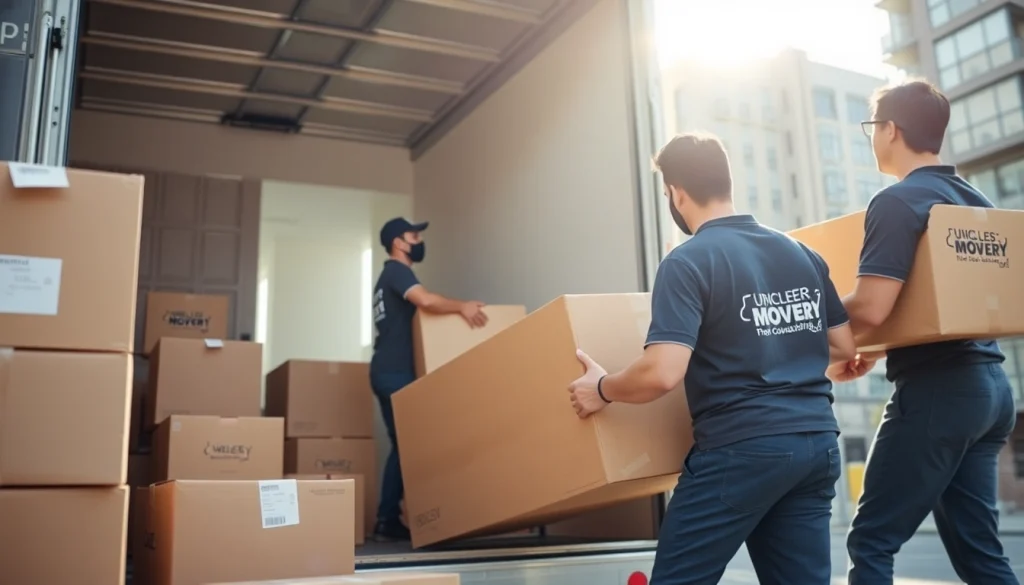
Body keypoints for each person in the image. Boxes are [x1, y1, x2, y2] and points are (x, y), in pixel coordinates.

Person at [569, 132, 861, 584]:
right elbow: (843, 346)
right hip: (816, 444)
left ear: (676, 192)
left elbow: (663, 373)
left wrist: (602, 389)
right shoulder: (802, 253)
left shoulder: (688, 262)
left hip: (743, 448)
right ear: (727, 183)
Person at [843, 80, 1019, 584]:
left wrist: (808, 314)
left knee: (871, 540)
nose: (871, 137)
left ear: (890, 130)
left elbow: (872, 307)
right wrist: (875, 348)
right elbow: (937, 304)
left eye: (871, 126)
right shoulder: (971, 198)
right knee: (980, 555)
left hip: (939, 390)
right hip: (990, 390)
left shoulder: (897, 201)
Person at [369, 217, 489, 541]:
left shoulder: (385, 277)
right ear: (398, 242)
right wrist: (461, 306)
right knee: (408, 446)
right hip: (394, 371)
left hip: (386, 369)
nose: (419, 239)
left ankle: (388, 518)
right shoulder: (397, 271)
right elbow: (425, 300)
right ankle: (388, 519)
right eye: (414, 234)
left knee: (402, 446)